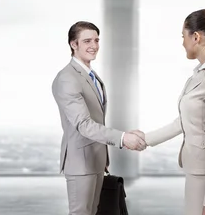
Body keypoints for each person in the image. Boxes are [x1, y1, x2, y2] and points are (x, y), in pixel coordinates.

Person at [135, 7, 205, 215]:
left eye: (183, 36)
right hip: (198, 171)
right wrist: (145, 138)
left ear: (196, 37)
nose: (182, 42)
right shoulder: (201, 74)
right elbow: (185, 121)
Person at [52, 21, 146, 215]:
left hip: (96, 160)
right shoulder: (67, 78)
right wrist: (122, 138)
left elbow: (97, 118)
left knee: (94, 212)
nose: (94, 46)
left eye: (96, 40)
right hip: (81, 163)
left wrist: (122, 138)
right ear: (73, 44)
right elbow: (84, 124)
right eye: (87, 41)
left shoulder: (91, 75)